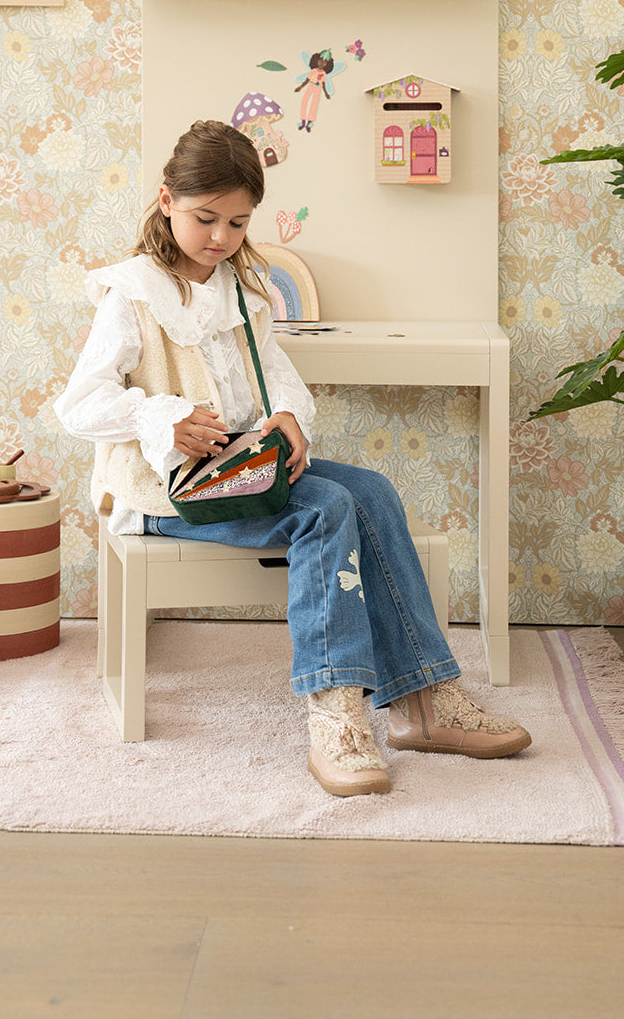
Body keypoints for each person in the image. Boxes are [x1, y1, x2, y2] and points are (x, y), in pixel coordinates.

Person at [55, 120, 531, 796]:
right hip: (165, 493)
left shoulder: (243, 293)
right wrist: (159, 415)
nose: (220, 237)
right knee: (328, 507)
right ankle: (336, 711)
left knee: (371, 489)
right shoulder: (131, 294)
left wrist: (285, 414)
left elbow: (276, 375)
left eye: (238, 223)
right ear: (166, 201)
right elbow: (78, 406)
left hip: (242, 472)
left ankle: (423, 700)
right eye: (205, 218)